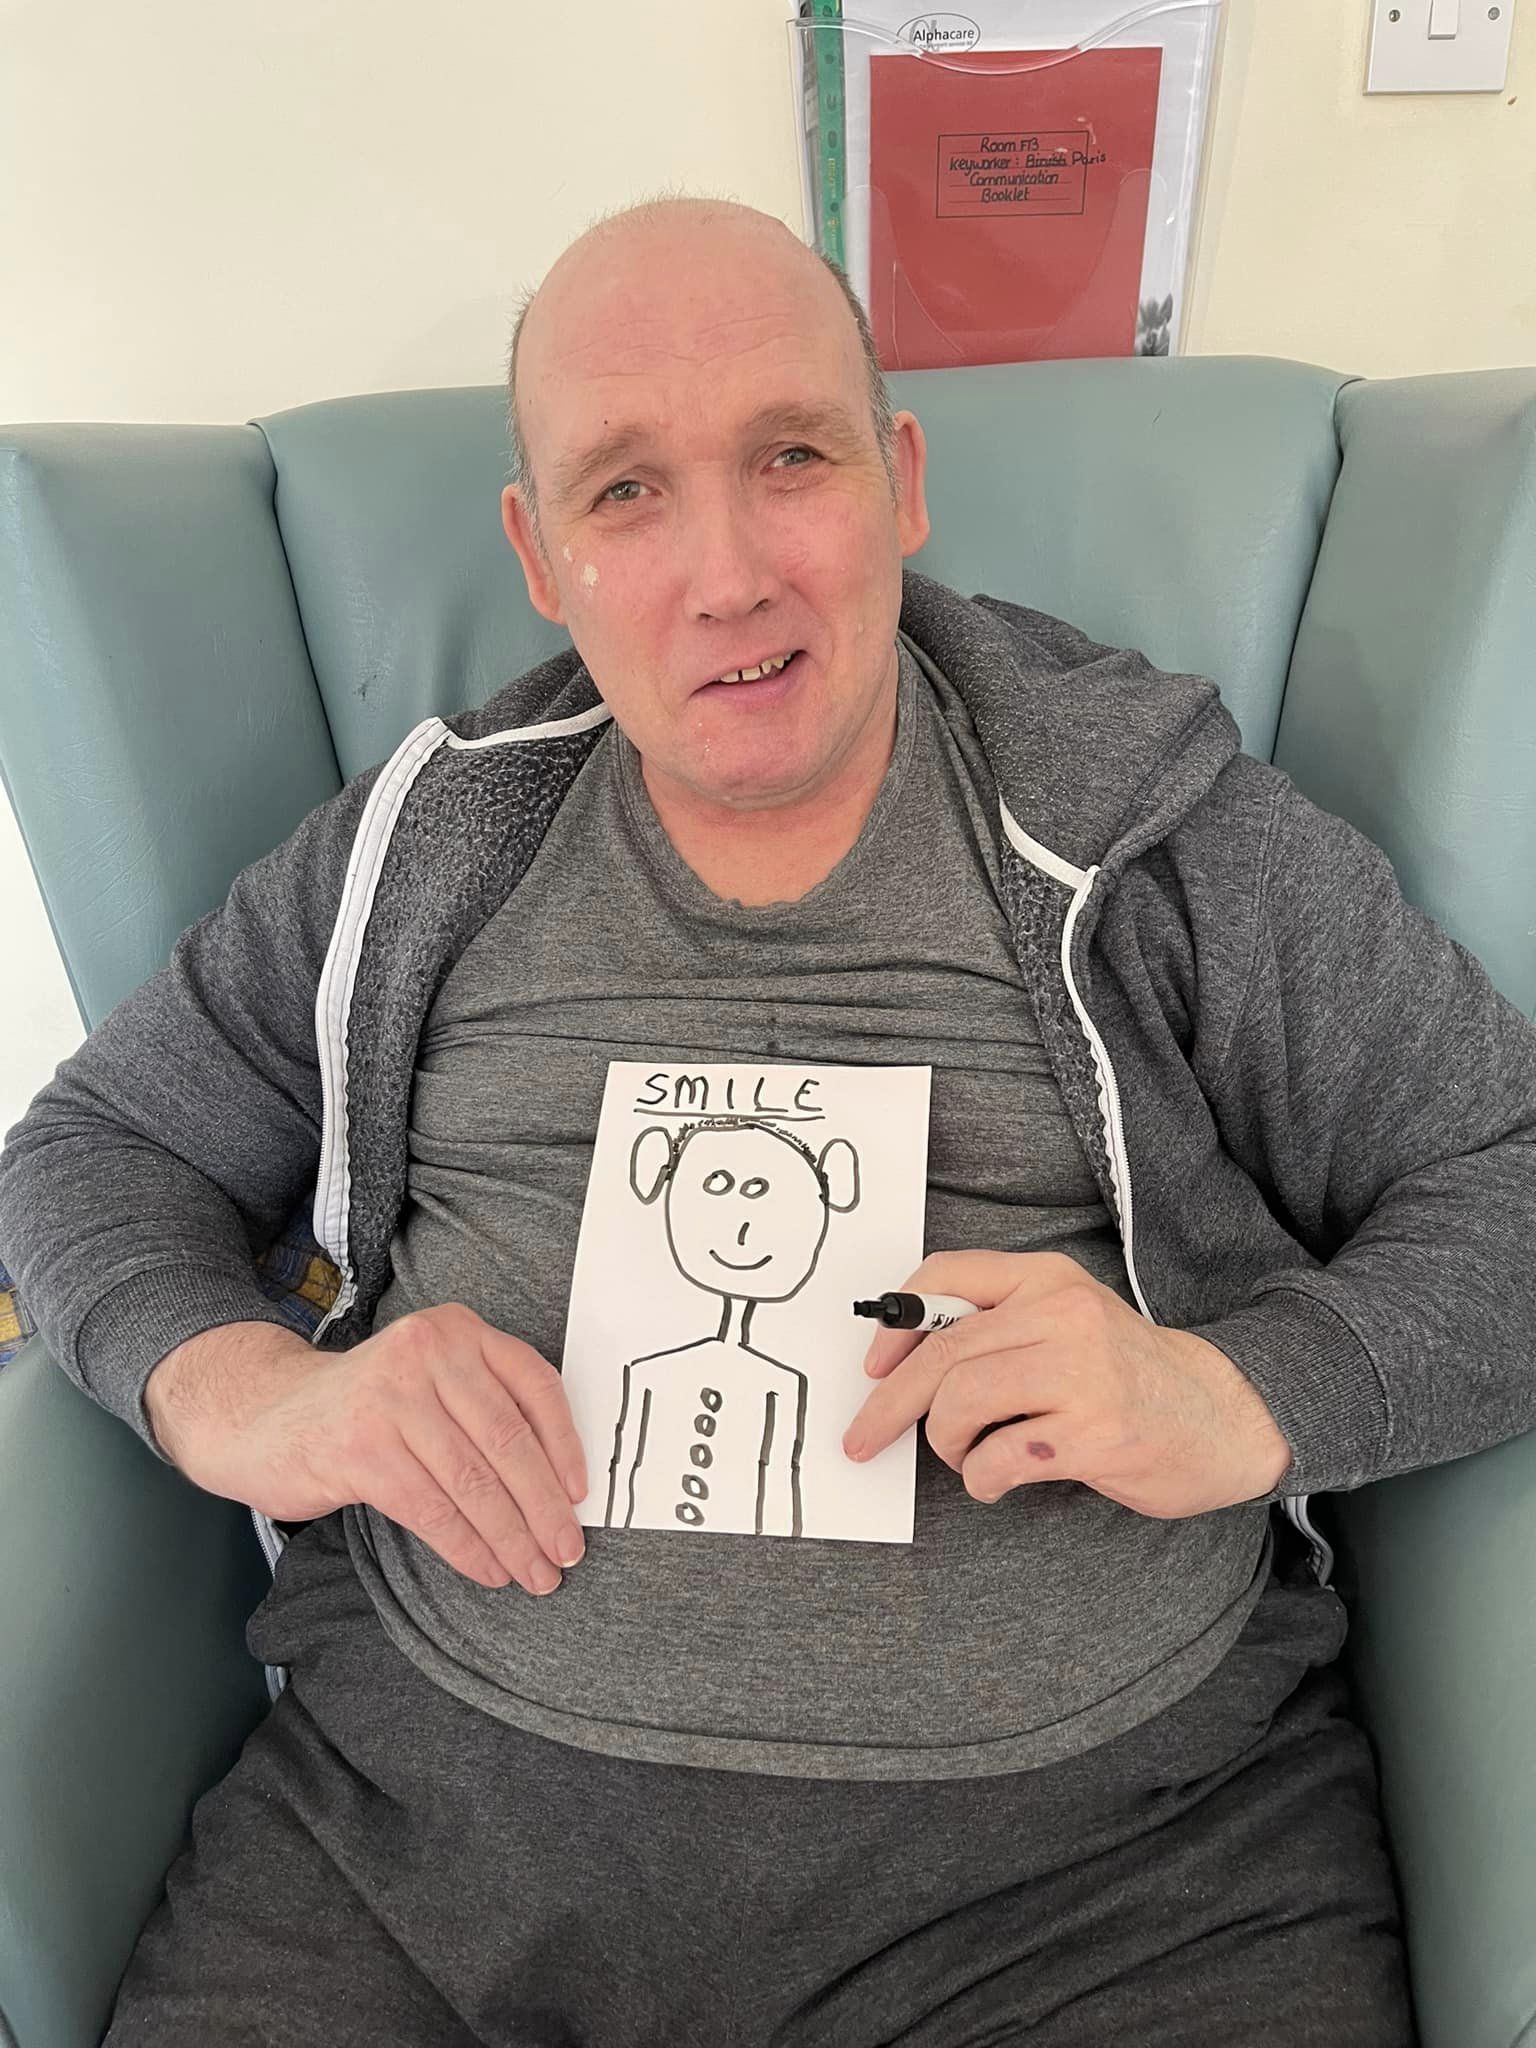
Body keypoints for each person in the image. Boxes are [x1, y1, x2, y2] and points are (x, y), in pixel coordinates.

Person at [3, 193, 1534, 2048]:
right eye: (625, 490)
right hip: (413, 1868)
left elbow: (1507, 1178)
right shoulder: (427, 849)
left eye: (791, 457)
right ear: (541, 554)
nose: (726, 575)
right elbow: (93, 1154)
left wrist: (1241, 1392)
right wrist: (252, 1393)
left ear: (901, 483)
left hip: (1113, 1895)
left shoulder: (1155, 830)